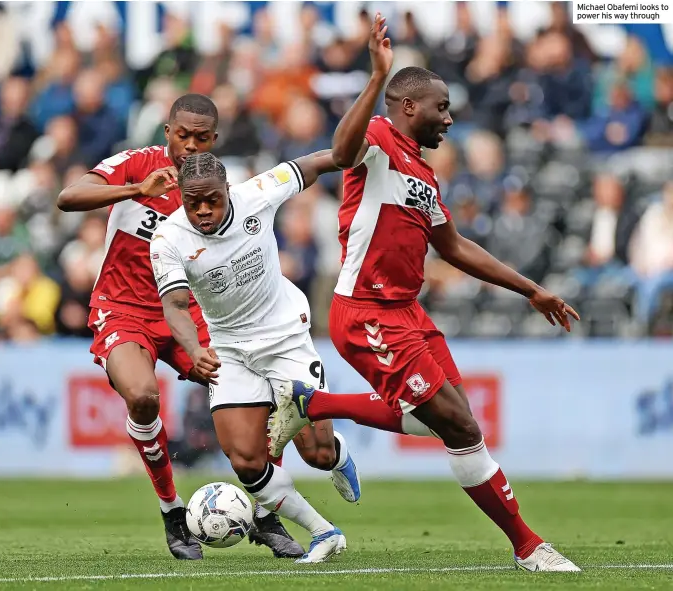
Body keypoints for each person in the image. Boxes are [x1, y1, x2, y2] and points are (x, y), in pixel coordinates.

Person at [270, 14, 581, 573]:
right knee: (459, 428)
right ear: (407, 106)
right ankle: (529, 547)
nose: (450, 117)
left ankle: (311, 404)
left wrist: (531, 290)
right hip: (365, 313)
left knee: (449, 419)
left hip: (406, 313)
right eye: (441, 107)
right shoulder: (380, 139)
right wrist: (375, 77)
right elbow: (341, 154)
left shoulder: (425, 178)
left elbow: (456, 248)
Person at [56, 94, 359, 561]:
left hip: (189, 311)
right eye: (183, 136)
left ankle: (267, 511)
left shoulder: (216, 188)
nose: (191, 146)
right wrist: (135, 190)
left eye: (202, 138)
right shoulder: (137, 164)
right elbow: (69, 196)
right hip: (123, 308)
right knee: (141, 396)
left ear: (214, 139)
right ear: (167, 132)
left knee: (271, 413)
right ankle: (172, 511)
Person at [150, 151, 352, 563]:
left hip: (286, 339)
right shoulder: (168, 239)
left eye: (212, 199)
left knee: (317, 455)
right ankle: (323, 531)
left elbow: (312, 165)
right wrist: (194, 349)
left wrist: (358, 150)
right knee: (245, 458)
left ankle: (339, 454)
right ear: (182, 197)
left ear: (227, 191)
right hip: (229, 350)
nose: (203, 210)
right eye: (193, 202)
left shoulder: (257, 194)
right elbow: (174, 305)